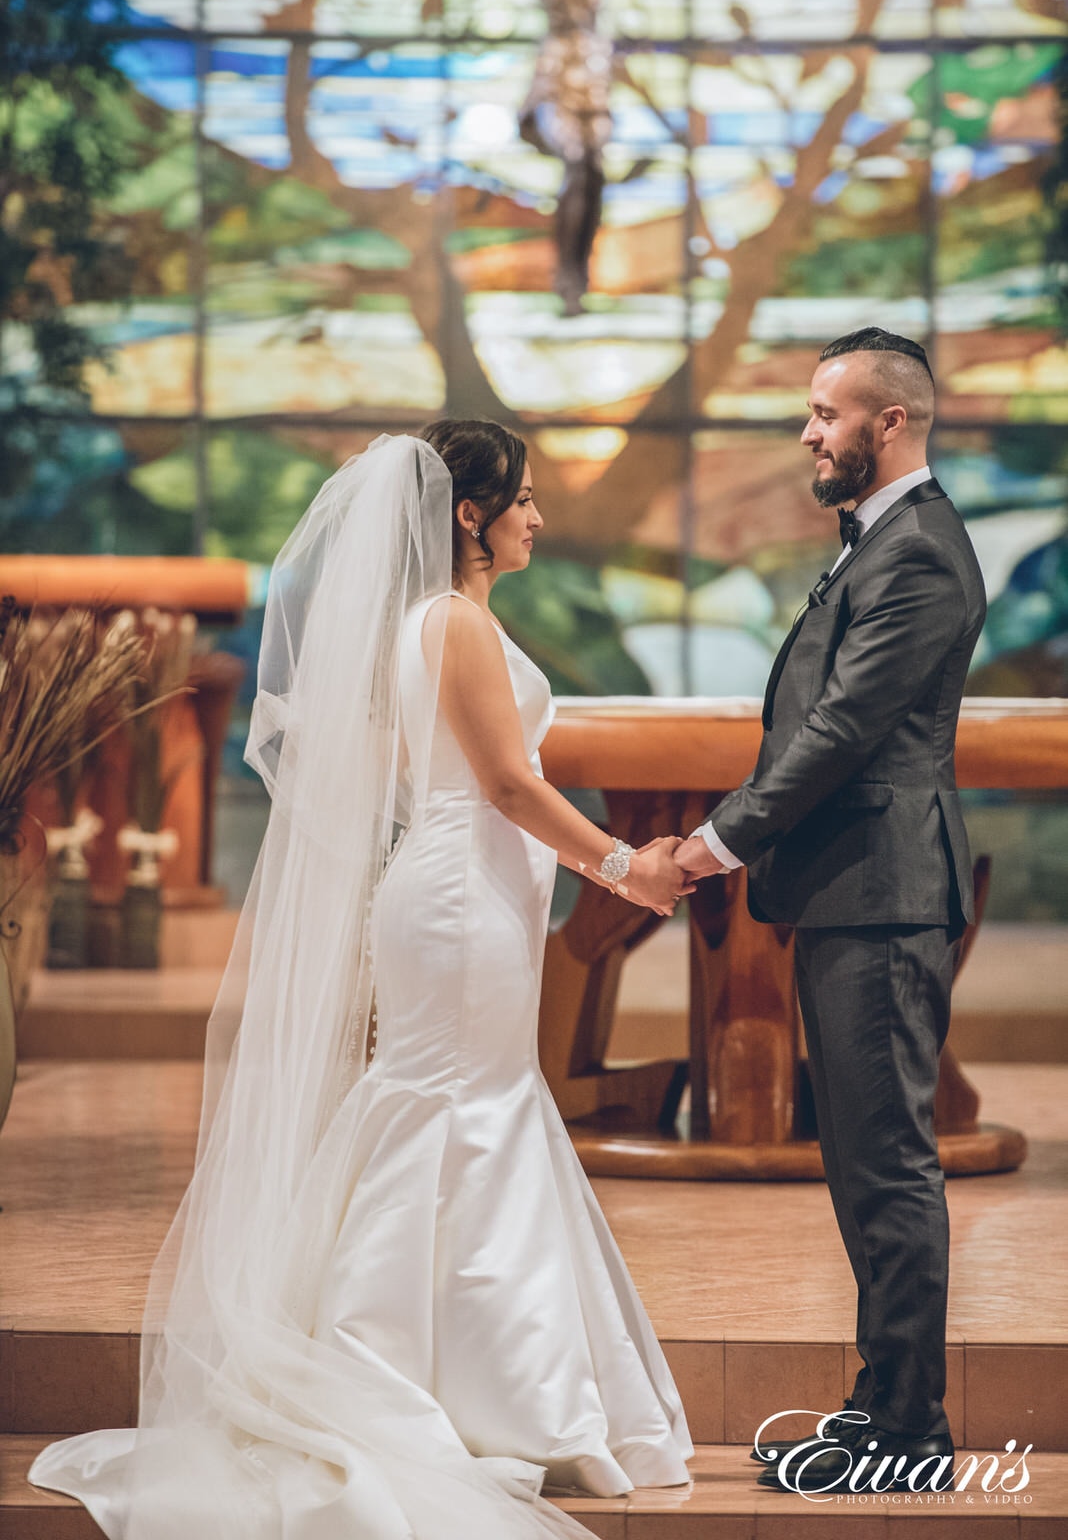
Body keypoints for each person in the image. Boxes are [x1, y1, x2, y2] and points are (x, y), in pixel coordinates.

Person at [28, 423, 692, 1540]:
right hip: (461, 895)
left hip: (464, 887)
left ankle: (457, 1368)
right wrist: (625, 868)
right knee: (460, 1104)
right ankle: (430, 1372)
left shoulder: (422, 623)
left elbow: (426, 770)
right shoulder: (454, 623)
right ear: (470, 515)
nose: (538, 516)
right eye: (522, 499)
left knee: (465, 1099)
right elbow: (506, 786)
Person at [675, 329, 986, 1494]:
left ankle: (912, 1431)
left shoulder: (916, 553)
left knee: (889, 1163)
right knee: (862, 1162)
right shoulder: (885, 542)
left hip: (884, 892)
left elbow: (841, 731)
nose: (809, 433)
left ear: (888, 422)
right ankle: (879, 1405)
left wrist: (712, 843)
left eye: (825, 413)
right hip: (855, 890)